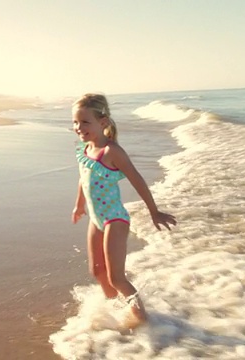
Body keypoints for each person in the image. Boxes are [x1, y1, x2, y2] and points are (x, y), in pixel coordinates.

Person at [71, 93, 177, 326]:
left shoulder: (112, 152)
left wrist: (154, 211)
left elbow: (137, 180)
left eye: (85, 122)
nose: (79, 127)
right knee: (97, 271)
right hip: (96, 219)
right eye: (75, 122)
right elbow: (84, 177)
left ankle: (145, 322)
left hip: (114, 220)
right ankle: (116, 310)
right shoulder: (85, 149)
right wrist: (79, 205)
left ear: (103, 122)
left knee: (116, 277)